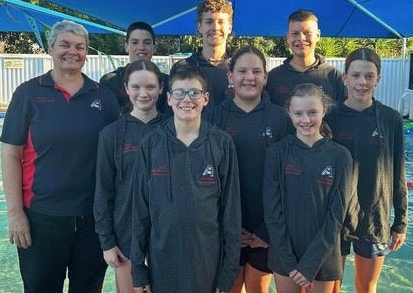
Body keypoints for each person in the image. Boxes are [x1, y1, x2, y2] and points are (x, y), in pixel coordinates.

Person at [0, 20, 119, 292]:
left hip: (92, 217)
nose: (72, 52)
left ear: (86, 53)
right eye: (64, 44)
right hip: (42, 216)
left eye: (80, 47)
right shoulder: (28, 94)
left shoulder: (103, 96)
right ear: (51, 48)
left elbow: (116, 155)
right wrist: (15, 213)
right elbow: (10, 155)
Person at [130, 65, 241, 293]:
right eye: (179, 92)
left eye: (194, 92)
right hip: (162, 260)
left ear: (206, 98)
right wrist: (138, 269)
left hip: (207, 261)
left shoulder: (221, 143)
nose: (187, 99)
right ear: (169, 99)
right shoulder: (152, 143)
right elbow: (140, 210)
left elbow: (231, 211)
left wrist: (228, 271)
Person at [204, 45, 293, 293]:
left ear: (265, 77)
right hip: (224, 229)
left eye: (256, 71)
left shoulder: (280, 119)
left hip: (265, 229)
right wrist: (225, 227)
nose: (249, 78)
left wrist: (267, 229)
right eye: (242, 71)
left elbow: (289, 178)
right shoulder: (213, 118)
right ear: (230, 77)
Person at [325, 48, 408, 293]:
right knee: (331, 286)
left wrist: (401, 220)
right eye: (356, 75)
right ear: (345, 77)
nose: (362, 82)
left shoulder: (390, 118)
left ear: (378, 79)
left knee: (366, 287)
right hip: (335, 214)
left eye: (369, 76)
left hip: (374, 214)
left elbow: (397, 170)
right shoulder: (330, 117)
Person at [263, 83, 354, 293]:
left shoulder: (340, 156)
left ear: (325, 110)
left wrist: (310, 263)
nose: (306, 120)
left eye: (312, 112)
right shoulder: (277, 153)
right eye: (298, 113)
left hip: (324, 253)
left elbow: (337, 215)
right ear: (289, 112)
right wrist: (289, 260)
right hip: (285, 255)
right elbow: (272, 212)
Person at [94, 60, 169, 293]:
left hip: (166, 235)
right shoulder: (111, 134)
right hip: (127, 234)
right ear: (126, 88)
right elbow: (103, 190)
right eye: (136, 87)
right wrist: (107, 242)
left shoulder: (174, 131)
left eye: (150, 87)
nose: (143, 94)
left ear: (161, 88)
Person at [266, 9, 346, 107]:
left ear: (318, 35)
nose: (301, 38)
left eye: (307, 33)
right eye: (295, 34)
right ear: (287, 37)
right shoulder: (273, 77)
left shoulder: (334, 77)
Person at [170, 0, 233, 110]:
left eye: (221, 22)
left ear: (229, 27)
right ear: (199, 27)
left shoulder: (239, 69)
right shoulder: (182, 67)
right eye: (209, 22)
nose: (215, 27)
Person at [100, 21, 169, 115]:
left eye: (147, 42)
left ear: (154, 47)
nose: (141, 47)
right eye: (135, 42)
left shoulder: (167, 82)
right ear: (126, 46)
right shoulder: (110, 81)